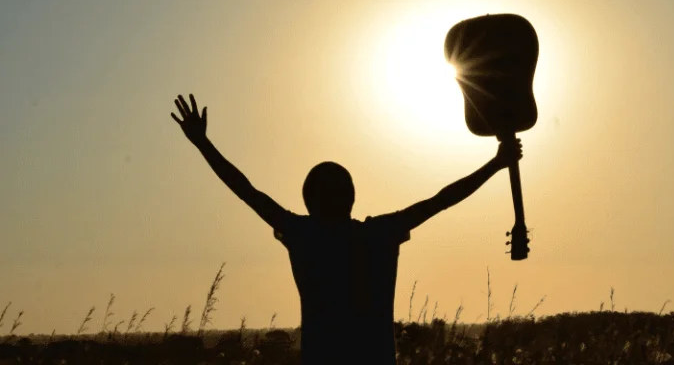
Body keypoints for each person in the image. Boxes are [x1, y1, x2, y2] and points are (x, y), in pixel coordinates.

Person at [171, 93, 522, 364]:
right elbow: (442, 199)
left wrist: (203, 143)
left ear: (308, 201)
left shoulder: (303, 236)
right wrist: (495, 164)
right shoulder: (378, 235)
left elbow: (246, 191)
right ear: (352, 197)